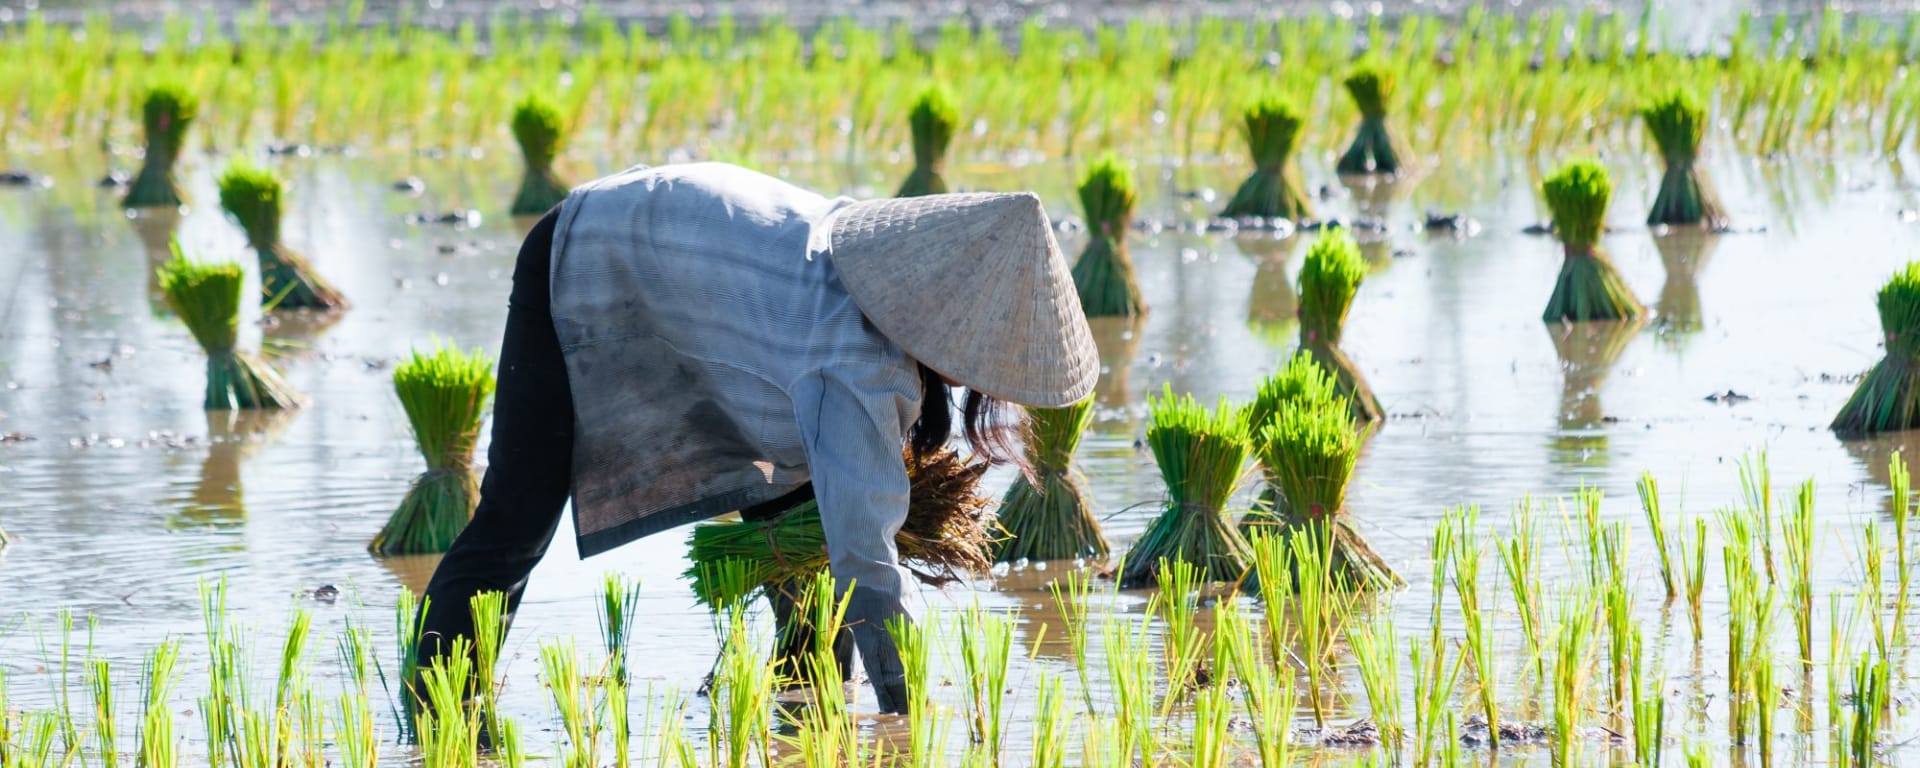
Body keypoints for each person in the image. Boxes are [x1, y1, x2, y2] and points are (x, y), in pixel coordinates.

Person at [414, 162, 1097, 713]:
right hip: (589, 251)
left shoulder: (868, 265)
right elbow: (868, 559)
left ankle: (802, 708)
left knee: (802, 554)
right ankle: (435, 717)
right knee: (517, 520)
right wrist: (907, 711)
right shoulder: (855, 363)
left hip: (682, 273)